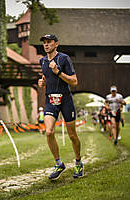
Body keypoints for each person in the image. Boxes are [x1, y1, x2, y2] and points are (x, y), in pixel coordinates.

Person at [38, 34, 83, 180]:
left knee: (72, 135)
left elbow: (74, 81)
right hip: (50, 100)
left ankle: (78, 162)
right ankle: (59, 164)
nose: (46, 45)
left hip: (65, 100)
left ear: (56, 44)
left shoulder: (64, 59)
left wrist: (58, 72)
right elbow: (46, 77)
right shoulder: (42, 61)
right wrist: (43, 82)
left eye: (49, 42)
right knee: (49, 132)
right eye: (44, 43)